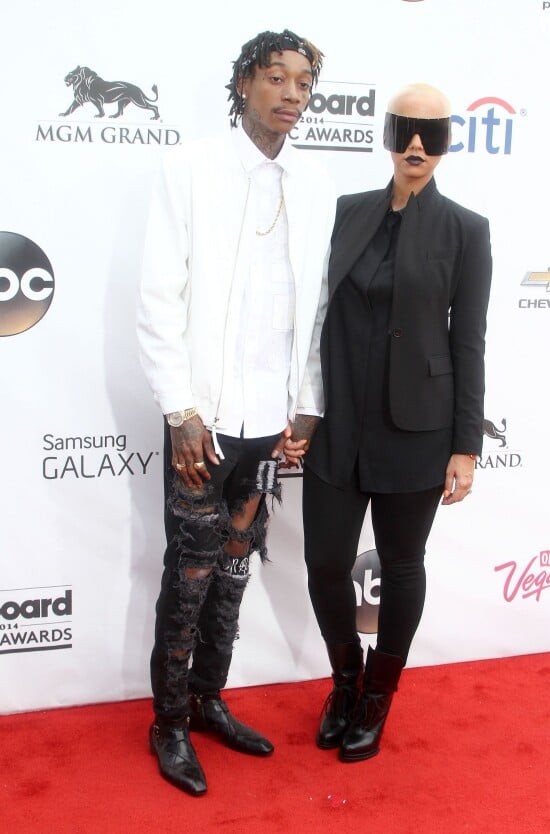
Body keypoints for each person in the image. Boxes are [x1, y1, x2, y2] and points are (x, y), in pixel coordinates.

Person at [137, 29, 335, 796]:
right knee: (188, 574)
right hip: (203, 421)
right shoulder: (188, 168)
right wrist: (180, 409)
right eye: (278, 78)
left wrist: (308, 405)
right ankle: (169, 722)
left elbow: (313, 311)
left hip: (268, 418)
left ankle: (209, 699)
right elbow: (160, 297)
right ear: (246, 81)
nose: (292, 95)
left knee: (233, 568)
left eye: (304, 84)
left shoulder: (315, 184)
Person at [289, 83, 492, 763]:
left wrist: (467, 445)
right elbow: (312, 317)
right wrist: (303, 406)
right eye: (406, 130)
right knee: (324, 563)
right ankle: (344, 682)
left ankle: (378, 697)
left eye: (431, 135)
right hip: (340, 421)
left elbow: (469, 341)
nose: (415, 146)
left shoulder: (466, 229)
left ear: (445, 144)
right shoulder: (345, 214)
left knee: (403, 565)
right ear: (388, 133)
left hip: (418, 430)